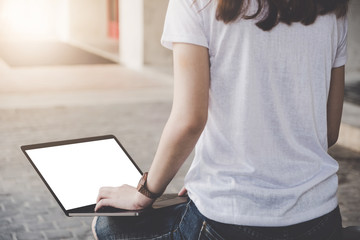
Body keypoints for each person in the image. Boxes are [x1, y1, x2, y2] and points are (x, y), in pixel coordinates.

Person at [92, 0, 349, 239]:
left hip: (227, 218)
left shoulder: (196, 4)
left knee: (108, 226)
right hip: (319, 218)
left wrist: (144, 194)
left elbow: (189, 121)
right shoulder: (330, 7)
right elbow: (328, 130)